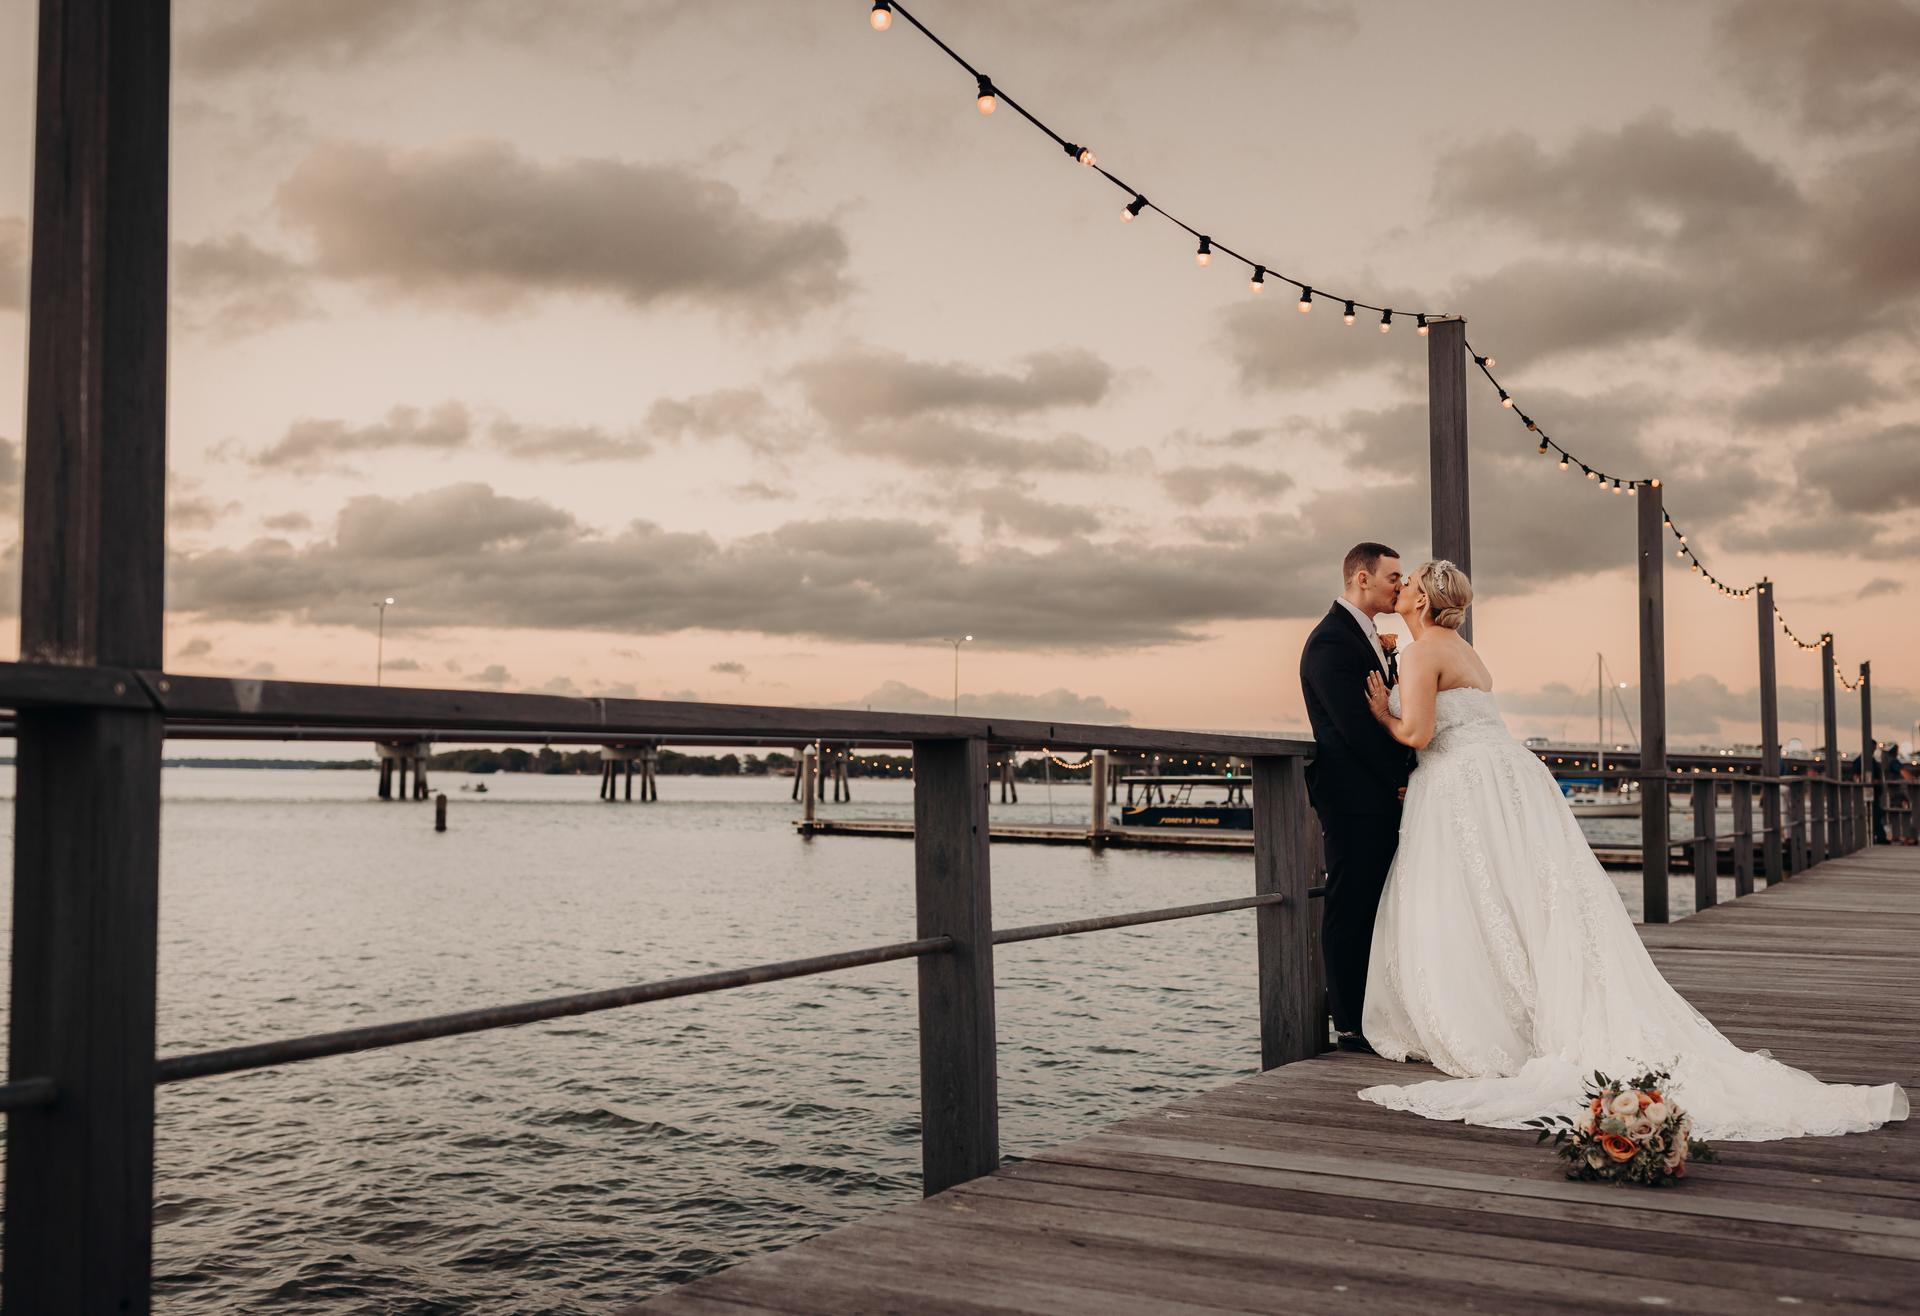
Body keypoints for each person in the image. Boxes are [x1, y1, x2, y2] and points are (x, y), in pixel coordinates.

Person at [1352, 560, 1907, 1141]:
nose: (1404, 585)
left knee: (1469, 900)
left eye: (1410, 580)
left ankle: (1487, 1014)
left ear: (1422, 601)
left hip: (1463, 787)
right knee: (1522, 899)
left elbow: (1417, 734)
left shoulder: (1418, 654)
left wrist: (1380, 713)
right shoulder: (1466, 651)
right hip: (1507, 780)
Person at [1297, 542, 1415, 1054]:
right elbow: (1351, 730)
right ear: (1361, 578)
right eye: (1393, 576)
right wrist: (1403, 774)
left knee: (1379, 904)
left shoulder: (1367, 637)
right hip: (1353, 797)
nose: (1400, 584)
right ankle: (1348, 1023)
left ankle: (1375, 1010)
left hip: (1377, 792)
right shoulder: (1329, 643)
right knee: (1350, 905)